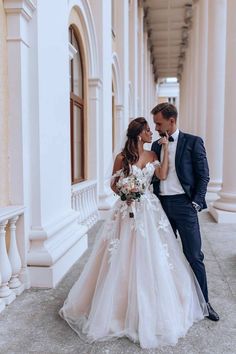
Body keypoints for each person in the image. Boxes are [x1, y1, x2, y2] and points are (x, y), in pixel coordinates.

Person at [59, 117, 208, 349]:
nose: (152, 133)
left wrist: (166, 150)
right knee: (121, 256)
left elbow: (161, 176)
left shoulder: (154, 155)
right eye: (148, 130)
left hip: (149, 211)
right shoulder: (121, 157)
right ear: (139, 134)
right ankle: (116, 309)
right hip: (125, 211)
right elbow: (113, 184)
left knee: (152, 256)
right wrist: (126, 194)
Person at [150, 102, 219, 322]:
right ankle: (169, 303)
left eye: (159, 123)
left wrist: (196, 204)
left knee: (194, 255)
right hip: (160, 207)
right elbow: (153, 175)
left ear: (171, 121)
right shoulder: (154, 145)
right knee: (163, 255)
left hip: (184, 206)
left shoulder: (193, 142)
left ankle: (204, 304)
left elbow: (204, 175)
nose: (156, 128)